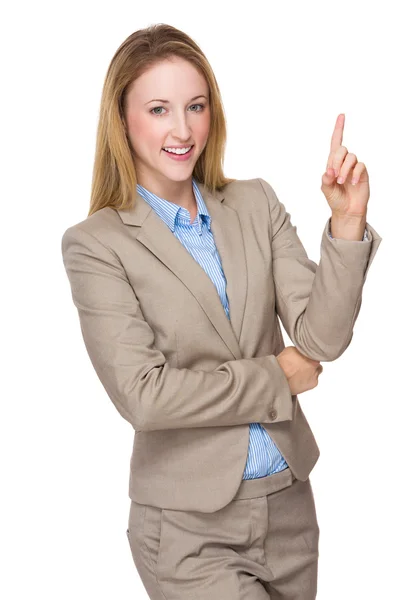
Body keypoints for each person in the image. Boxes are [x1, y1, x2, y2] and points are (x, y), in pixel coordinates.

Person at [61, 23, 382, 600]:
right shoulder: (97, 243)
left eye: (196, 106)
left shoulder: (255, 202)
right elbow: (145, 396)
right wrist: (275, 376)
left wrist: (347, 224)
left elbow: (323, 339)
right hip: (188, 529)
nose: (182, 130)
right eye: (159, 109)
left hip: (288, 509)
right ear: (122, 119)